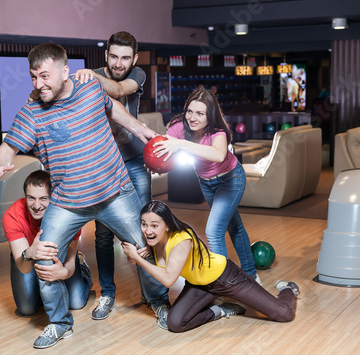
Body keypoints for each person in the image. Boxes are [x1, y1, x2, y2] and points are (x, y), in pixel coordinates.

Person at [0, 43, 169, 349]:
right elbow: (7, 148)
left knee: (144, 248)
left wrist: (139, 129)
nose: (38, 84)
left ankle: (157, 302)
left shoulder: (89, 88)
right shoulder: (32, 112)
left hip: (115, 193)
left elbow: (114, 108)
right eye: (33, 77)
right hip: (68, 203)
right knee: (44, 257)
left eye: (44, 76)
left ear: (65, 71)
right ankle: (59, 323)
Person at [122, 200, 299, 332]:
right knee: (175, 323)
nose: (147, 230)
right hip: (199, 286)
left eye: (154, 225)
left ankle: (289, 288)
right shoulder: (155, 241)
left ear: (166, 225)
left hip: (226, 278)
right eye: (144, 224)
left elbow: (168, 279)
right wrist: (135, 255)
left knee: (283, 314)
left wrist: (137, 258)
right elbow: (134, 261)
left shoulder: (183, 239)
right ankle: (221, 309)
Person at [74, 31, 151, 320]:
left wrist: (88, 76)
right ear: (106, 54)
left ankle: (152, 294)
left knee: (145, 231)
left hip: (133, 163)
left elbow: (118, 91)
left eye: (125, 58)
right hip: (103, 167)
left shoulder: (137, 75)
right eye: (114, 56)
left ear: (135, 59)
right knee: (104, 235)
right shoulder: (88, 76)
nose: (119, 63)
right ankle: (107, 294)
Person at [153, 88, 261, 284]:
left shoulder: (218, 132)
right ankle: (251, 275)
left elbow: (219, 155)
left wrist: (181, 145)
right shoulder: (178, 127)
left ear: (209, 115)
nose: (193, 118)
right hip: (206, 183)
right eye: (189, 111)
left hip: (231, 180)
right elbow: (167, 152)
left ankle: (223, 284)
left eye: (200, 113)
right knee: (234, 226)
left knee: (213, 231)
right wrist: (157, 164)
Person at [3, 170, 92, 317]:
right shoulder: (12, 215)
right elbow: (23, 267)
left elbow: (69, 260)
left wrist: (65, 272)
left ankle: (83, 269)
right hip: (26, 256)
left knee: (76, 303)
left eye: (43, 198)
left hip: (59, 255)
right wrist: (29, 254)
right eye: (31, 198)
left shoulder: (69, 213)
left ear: (53, 197)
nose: (36, 205)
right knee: (26, 309)